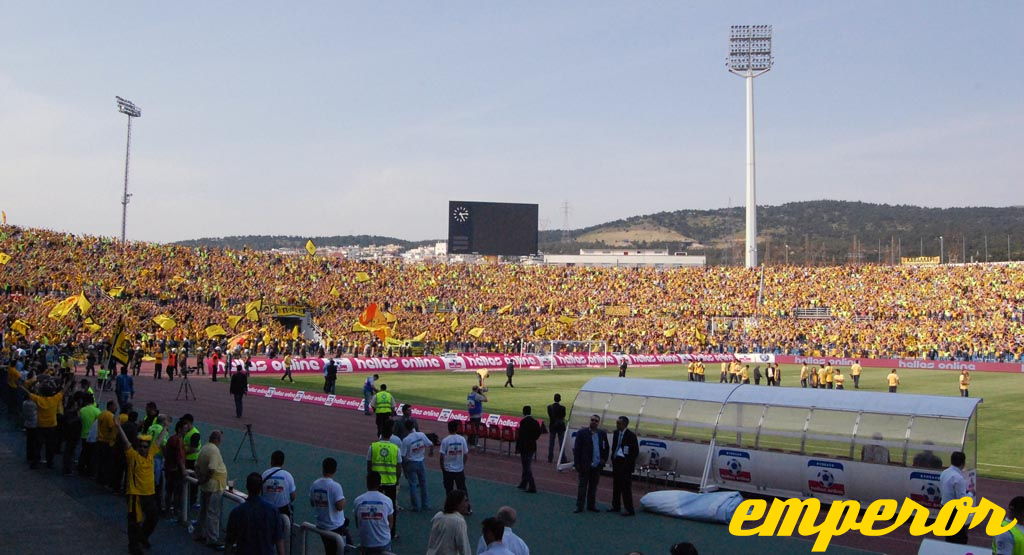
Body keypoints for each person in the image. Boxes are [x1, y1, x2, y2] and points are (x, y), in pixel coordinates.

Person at [115, 416, 168, 555]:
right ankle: (134, 546)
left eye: (145, 447)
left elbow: (158, 441)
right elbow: (126, 442)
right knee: (134, 522)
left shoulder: (151, 454)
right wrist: (118, 427)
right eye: (141, 447)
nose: (143, 449)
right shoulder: (133, 456)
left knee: (153, 518)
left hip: (149, 494)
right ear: (137, 447)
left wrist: (166, 427)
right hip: (135, 495)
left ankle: (142, 537)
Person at [225, 472, 286, 555]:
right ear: (261, 488)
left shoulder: (236, 512)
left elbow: (229, 542)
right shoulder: (273, 511)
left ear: (247, 487)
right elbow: (279, 541)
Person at [367, 419, 402, 539]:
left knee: (375, 506)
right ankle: (392, 532)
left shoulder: (373, 446)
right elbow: (398, 467)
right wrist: (396, 480)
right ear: (391, 434)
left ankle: (374, 529)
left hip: (377, 482)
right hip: (391, 482)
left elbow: (369, 465)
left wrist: (371, 478)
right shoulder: (395, 448)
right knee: (391, 508)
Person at [310, 457, 352, 555]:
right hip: (334, 526)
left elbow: (312, 503)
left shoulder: (315, 484)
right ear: (335, 470)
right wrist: (343, 501)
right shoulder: (335, 486)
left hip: (321, 524)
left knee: (329, 550)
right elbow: (340, 506)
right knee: (347, 547)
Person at [194, 430, 227, 548]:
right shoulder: (214, 450)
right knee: (213, 513)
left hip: (206, 486)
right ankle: (212, 538)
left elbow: (196, 466)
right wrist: (204, 480)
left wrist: (200, 479)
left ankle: (199, 533)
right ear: (217, 439)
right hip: (214, 486)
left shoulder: (205, 448)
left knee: (203, 510)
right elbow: (212, 469)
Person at [572, 414, 609, 513]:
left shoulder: (602, 434)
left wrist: (604, 459)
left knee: (593, 487)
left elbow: (606, 448)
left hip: (597, 465)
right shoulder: (582, 433)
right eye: (592, 420)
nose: (594, 422)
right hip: (585, 465)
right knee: (582, 487)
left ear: (598, 423)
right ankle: (579, 506)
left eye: (596, 421)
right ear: (590, 421)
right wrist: (577, 464)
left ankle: (591, 505)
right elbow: (577, 449)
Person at [353, 471, 395, 555]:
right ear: (379, 484)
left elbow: (358, 523)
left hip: (366, 542)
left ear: (367, 483)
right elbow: (391, 522)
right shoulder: (387, 500)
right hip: (383, 542)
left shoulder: (358, 500)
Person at [609, 416, 639, 516]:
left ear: (625, 424)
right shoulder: (616, 433)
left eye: (619, 423)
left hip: (625, 465)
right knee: (616, 485)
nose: (617, 425)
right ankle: (615, 506)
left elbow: (635, 452)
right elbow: (614, 446)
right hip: (616, 462)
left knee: (626, 487)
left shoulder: (631, 436)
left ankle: (629, 509)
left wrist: (628, 464)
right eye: (617, 423)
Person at [426, 489, 472, 555]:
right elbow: (464, 547)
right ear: (457, 504)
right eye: (465, 501)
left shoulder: (438, 516)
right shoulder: (458, 522)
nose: (468, 504)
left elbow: (432, 542)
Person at [400, 419, 432, 512]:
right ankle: (425, 504)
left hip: (411, 462)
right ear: (414, 426)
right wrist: (431, 452)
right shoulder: (421, 435)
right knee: (423, 484)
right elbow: (430, 444)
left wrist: (404, 467)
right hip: (421, 461)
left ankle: (415, 506)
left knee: (413, 485)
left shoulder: (406, 440)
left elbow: (403, 455)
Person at [939, 451, 970, 544]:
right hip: (955, 511)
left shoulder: (944, 472)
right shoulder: (958, 478)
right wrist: (971, 494)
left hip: (945, 507)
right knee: (960, 539)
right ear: (963, 463)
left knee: (949, 537)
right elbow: (962, 500)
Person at [261, 450, 297, 517]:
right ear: (283, 462)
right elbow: (293, 496)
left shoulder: (264, 474)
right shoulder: (288, 475)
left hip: (267, 510)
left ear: (271, 461)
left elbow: (260, 491)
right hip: (282, 511)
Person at [163, 419, 187, 519]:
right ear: (180, 429)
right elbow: (179, 457)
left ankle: (169, 510)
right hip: (174, 470)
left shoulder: (174, 438)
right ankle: (174, 511)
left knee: (170, 491)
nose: (186, 430)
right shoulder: (177, 440)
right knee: (176, 491)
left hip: (170, 468)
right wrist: (183, 470)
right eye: (185, 428)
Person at [440, 420, 470, 496]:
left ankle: (449, 507)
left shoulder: (445, 440)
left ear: (448, 428)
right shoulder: (462, 439)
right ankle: (467, 507)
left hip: (448, 469)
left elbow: (441, 457)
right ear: (457, 428)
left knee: (449, 491)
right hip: (459, 469)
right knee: (462, 489)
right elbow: (466, 454)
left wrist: (443, 468)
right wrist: (462, 464)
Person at [516, 406, 541, 493]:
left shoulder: (523, 422)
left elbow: (521, 436)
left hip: (525, 446)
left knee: (526, 466)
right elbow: (538, 433)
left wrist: (518, 447)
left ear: (523, 412)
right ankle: (523, 483)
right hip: (532, 446)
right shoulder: (535, 422)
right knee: (526, 465)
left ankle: (532, 486)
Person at [546, 394, 567, 464]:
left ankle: (550, 458)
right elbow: (563, 416)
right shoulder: (563, 408)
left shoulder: (549, 407)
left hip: (553, 426)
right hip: (560, 426)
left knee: (551, 443)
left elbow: (550, 416)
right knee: (561, 443)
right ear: (560, 399)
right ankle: (563, 458)